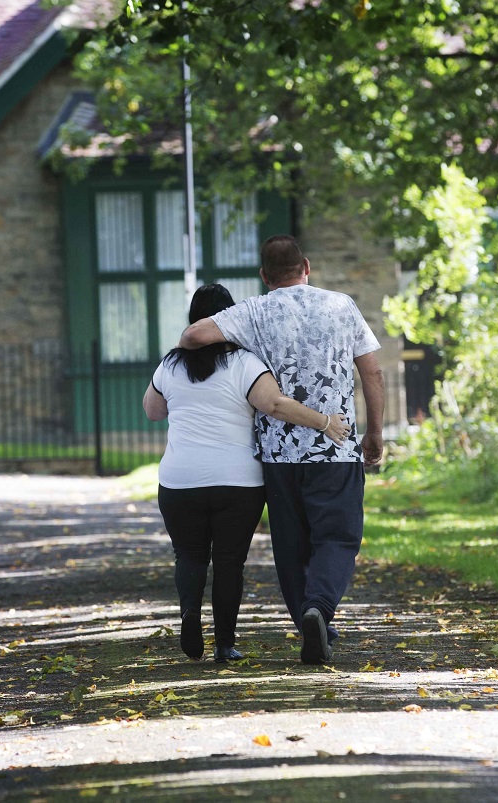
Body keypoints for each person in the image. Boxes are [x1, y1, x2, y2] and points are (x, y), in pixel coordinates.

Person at [179, 235, 384, 665]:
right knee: (338, 538)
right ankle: (319, 608)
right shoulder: (342, 305)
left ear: (264, 276)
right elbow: (373, 374)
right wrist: (374, 435)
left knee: (291, 547)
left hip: (278, 453)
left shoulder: (253, 311)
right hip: (336, 448)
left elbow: (194, 335)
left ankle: (311, 620)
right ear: (306, 267)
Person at [143, 283, 350, 663]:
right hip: (237, 484)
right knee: (228, 562)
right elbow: (275, 403)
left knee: (188, 556)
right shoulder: (244, 363)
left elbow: (152, 410)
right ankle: (224, 644)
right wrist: (324, 422)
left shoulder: (170, 365)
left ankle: (190, 614)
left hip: (179, 481)